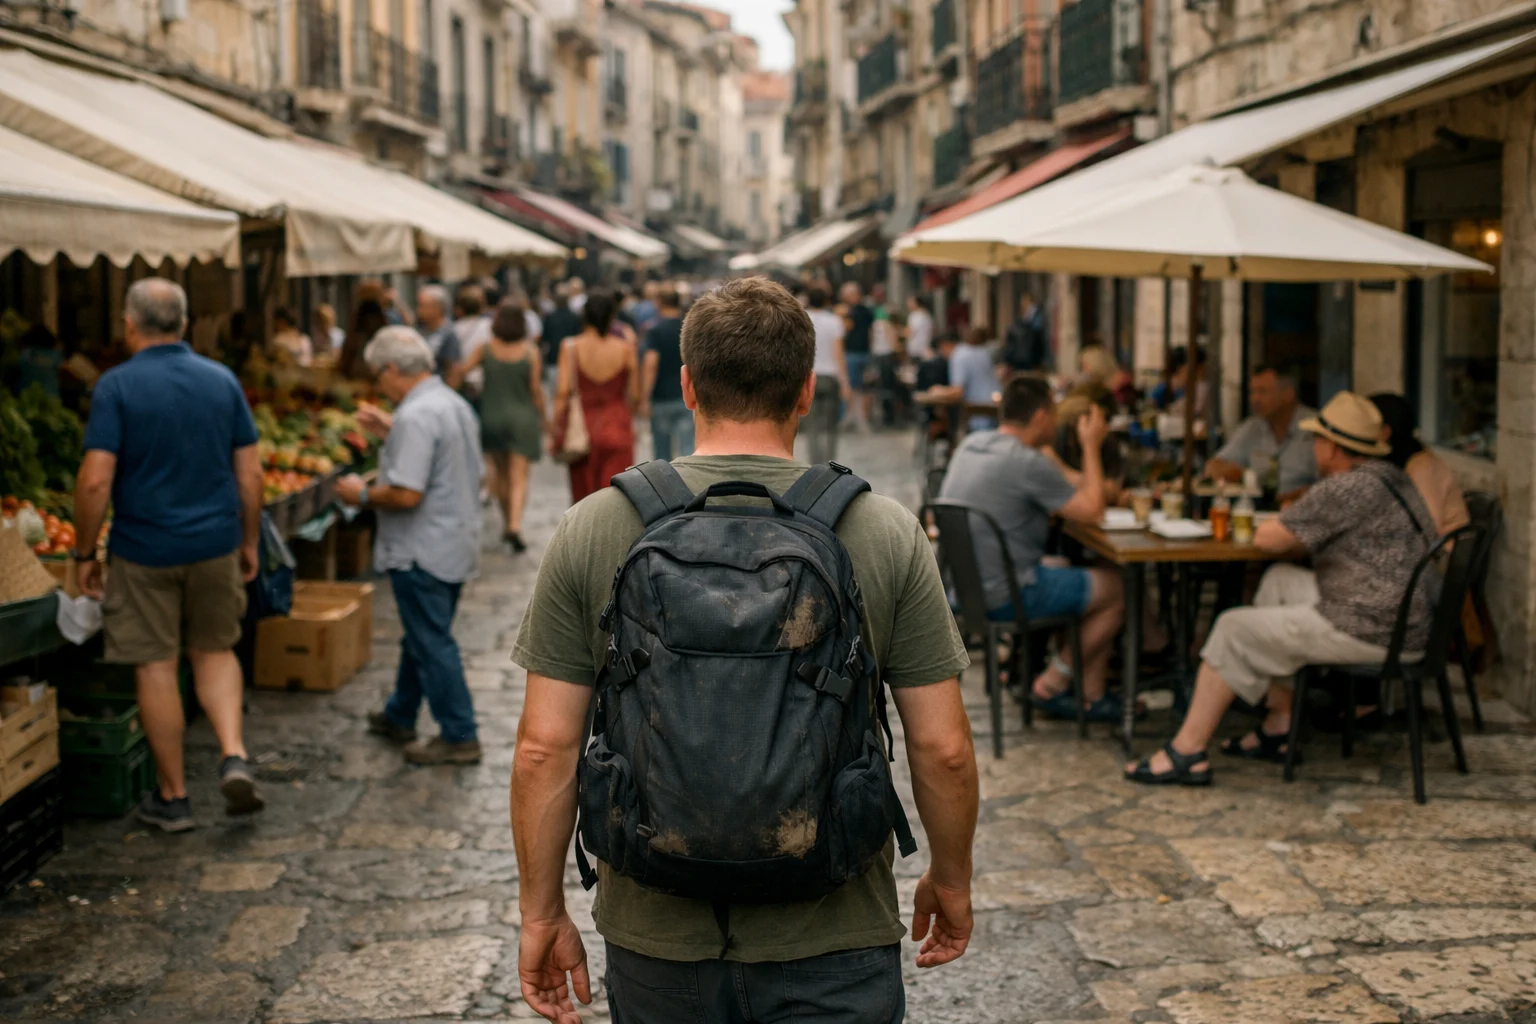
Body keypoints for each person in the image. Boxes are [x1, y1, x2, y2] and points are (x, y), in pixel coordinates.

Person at [510, 276, 977, 1024]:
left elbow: (543, 748)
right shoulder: (882, 531)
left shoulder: (596, 526)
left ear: (688, 386)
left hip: (660, 934)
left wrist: (541, 914)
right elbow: (944, 747)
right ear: (805, 393)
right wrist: (950, 879)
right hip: (833, 931)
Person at [1125, 392, 1438, 785]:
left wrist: (1289, 519)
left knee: (1233, 626)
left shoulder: (1344, 488)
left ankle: (1186, 751)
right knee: (1278, 581)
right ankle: (1279, 723)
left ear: (1334, 448)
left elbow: (1268, 540)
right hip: (1403, 618)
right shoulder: (1392, 477)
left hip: (1373, 629)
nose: (1313, 447)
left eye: (1318, 440)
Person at [73, 278, 265, 832]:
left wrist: (85, 552)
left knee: (156, 664)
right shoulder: (222, 380)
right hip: (215, 544)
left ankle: (174, 797)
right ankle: (233, 753)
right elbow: (249, 473)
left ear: (129, 325)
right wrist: (248, 540)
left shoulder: (116, 387)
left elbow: (93, 482)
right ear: (183, 323)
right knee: (215, 651)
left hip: (143, 548)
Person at [939, 376, 1127, 721]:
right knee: (1116, 588)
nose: (1056, 422)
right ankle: (1053, 681)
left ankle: (1092, 695)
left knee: (1073, 568)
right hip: (1007, 595)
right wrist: (1089, 446)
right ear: (1041, 417)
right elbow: (1093, 511)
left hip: (966, 592)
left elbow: (1067, 486)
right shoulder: (1027, 463)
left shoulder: (973, 444)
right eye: (1053, 415)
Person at [338, 327, 483, 766]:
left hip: (423, 547)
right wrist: (391, 430)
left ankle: (459, 733)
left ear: (391, 370)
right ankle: (400, 712)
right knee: (420, 633)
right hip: (452, 540)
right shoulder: (449, 403)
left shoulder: (417, 416)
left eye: (377, 376)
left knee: (430, 638)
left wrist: (358, 495)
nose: (378, 386)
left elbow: (406, 494)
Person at [449, 302, 544, 552]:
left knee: (500, 474)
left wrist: (454, 390)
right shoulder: (530, 352)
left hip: (492, 417)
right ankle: (514, 525)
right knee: (519, 476)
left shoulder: (486, 350)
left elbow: (461, 372)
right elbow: (535, 390)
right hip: (521, 417)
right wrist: (545, 418)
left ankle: (506, 524)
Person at [555, 289, 639, 502]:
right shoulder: (626, 349)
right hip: (617, 425)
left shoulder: (570, 347)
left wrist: (555, 425)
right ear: (612, 316)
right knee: (616, 499)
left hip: (584, 428)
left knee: (584, 499)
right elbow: (635, 394)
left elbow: (563, 391)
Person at [1206, 364, 1318, 499]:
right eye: (1252, 392)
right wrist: (1236, 474)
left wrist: (1293, 497)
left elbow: (1333, 480)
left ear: (1288, 394)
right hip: (1256, 508)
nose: (1255, 399)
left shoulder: (1315, 428)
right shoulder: (1252, 427)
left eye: (1263, 392)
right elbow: (1214, 465)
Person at [1371, 392, 1469, 536]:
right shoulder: (1396, 459)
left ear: (1386, 432)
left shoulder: (1422, 466)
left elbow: (1427, 525)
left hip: (1441, 550)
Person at [640, 286, 692, 461]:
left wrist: (645, 397)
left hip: (661, 397)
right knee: (687, 449)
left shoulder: (655, 331)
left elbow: (650, 364)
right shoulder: (688, 328)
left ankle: (663, 487)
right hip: (686, 396)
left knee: (662, 453)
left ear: (659, 303)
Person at [803, 285, 849, 464]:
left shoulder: (803, 319)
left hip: (808, 376)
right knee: (830, 424)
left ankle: (814, 462)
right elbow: (838, 352)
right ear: (827, 301)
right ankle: (829, 462)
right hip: (830, 376)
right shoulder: (834, 321)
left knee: (812, 424)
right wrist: (845, 382)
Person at [929, 326, 999, 432]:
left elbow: (957, 391)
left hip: (979, 411)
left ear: (944, 345)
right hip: (996, 406)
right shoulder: (981, 351)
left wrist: (939, 391)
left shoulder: (958, 356)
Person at [840, 282, 874, 429]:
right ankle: (856, 417)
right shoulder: (867, 311)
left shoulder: (849, 312)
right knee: (860, 386)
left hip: (854, 352)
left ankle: (857, 417)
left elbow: (845, 330)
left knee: (856, 386)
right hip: (861, 351)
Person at [540, 284, 584, 389]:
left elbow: (544, 339)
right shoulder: (575, 317)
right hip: (571, 357)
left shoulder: (549, 317)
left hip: (553, 358)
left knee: (553, 389)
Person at [340, 298, 390, 379]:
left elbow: (344, 364)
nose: (371, 321)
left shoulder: (353, 337)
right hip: (378, 382)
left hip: (356, 381)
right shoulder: (386, 337)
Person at [416, 285, 460, 377]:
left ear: (438, 308)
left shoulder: (448, 333)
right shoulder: (421, 329)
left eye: (424, 306)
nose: (419, 310)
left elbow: (452, 369)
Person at [1001, 292, 1048, 375]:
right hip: (1025, 361)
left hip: (1025, 361)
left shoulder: (1034, 318)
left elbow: (1038, 341)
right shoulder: (1016, 327)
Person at [906, 295, 935, 362]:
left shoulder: (916, 315)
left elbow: (909, 332)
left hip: (917, 350)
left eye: (910, 302)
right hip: (924, 349)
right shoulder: (927, 314)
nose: (908, 304)